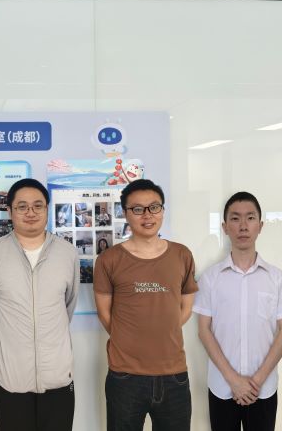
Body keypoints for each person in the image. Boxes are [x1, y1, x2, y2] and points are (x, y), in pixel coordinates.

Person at [0, 178, 79, 431]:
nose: (30, 212)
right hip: (11, 375)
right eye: (22, 206)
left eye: (37, 206)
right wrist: (6, 336)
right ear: (10, 211)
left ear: (47, 209)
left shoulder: (67, 253)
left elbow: (69, 303)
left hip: (57, 374)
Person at [94, 179, 197, 431]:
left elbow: (185, 307)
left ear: (162, 210)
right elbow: (105, 313)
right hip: (125, 376)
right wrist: (129, 337)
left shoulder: (182, 255)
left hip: (174, 375)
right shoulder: (109, 259)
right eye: (138, 209)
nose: (147, 215)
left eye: (154, 207)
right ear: (125, 213)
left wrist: (164, 329)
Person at [194, 192, 282, 431]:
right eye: (235, 218)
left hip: (263, 388)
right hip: (222, 387)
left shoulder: (276, 278)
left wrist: (256, 381)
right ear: (225, 227)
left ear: (260, 226)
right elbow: (203, 331)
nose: (243, 226)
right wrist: (234, 380)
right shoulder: (211, 278)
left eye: (250, 218)